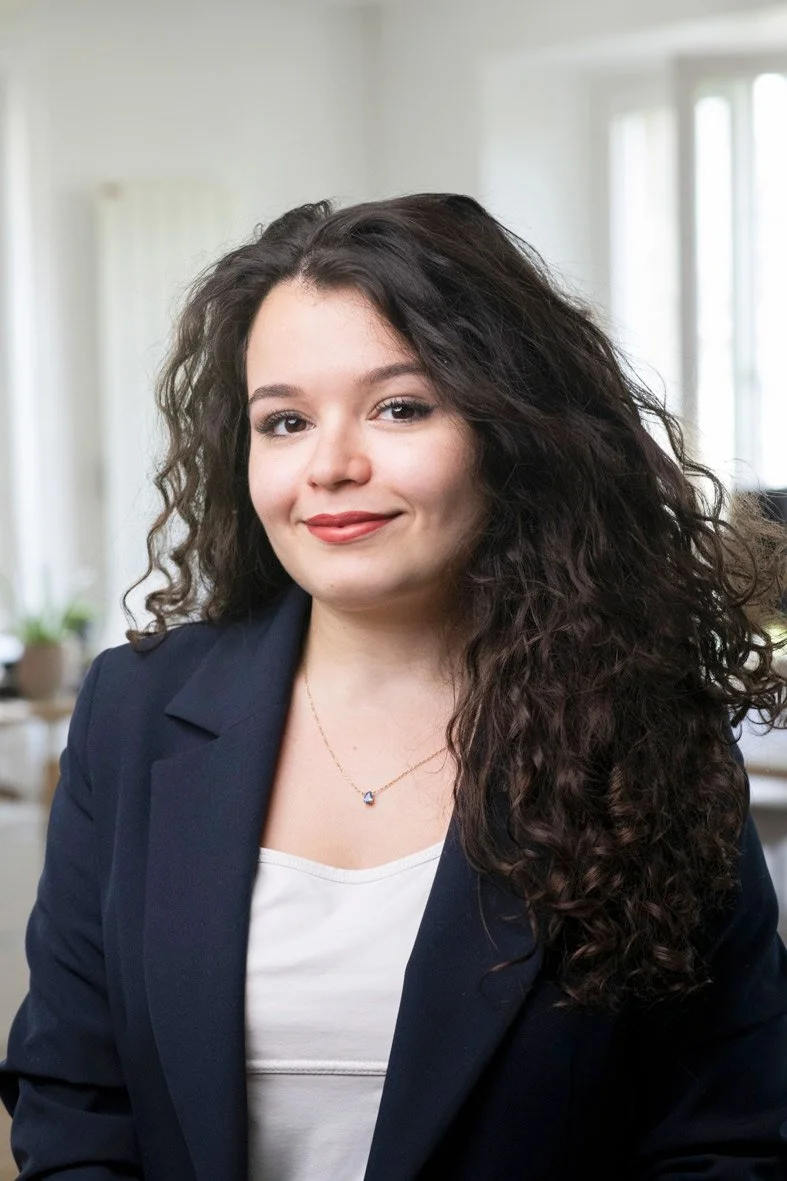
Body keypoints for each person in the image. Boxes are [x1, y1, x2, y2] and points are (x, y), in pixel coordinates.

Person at [1, 193, 787, 1180]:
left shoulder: (642, 725)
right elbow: (74, 1102)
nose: (330, 464)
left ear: (512, 430)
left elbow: (724, 1137)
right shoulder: (132, 711)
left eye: (400, 407)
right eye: (283, 420)